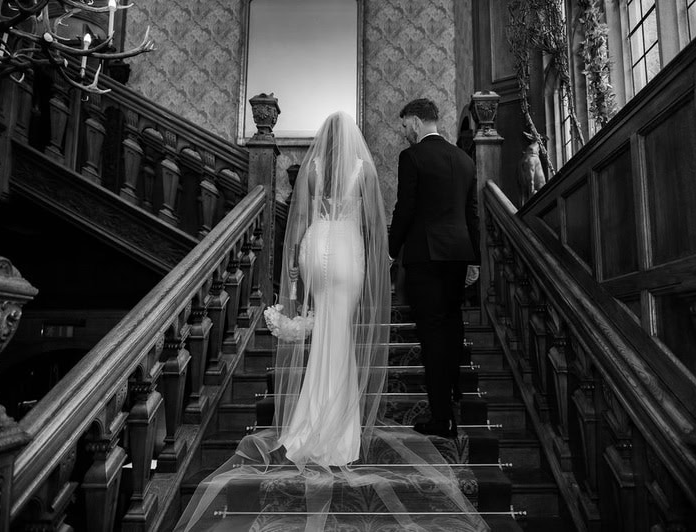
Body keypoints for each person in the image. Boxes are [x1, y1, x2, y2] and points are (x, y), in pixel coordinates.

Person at [175, 111, 487, 532]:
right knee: (345, 329)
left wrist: (292, 279)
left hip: (318, 246)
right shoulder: (367, 168)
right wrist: (387, 256)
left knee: (324, 327)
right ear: (354, 140)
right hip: (348, 249)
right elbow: (374, 221)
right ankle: (341, 425)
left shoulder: (313, 168)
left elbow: (300, 221)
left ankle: (310, 419)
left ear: (325, 140)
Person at [389, 98, 480, 439]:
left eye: (403, 126)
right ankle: (454, 390)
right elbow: (472, 213)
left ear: (414, 121)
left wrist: (389, 251)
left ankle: (441, 417)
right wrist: (476, 259)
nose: (404, 133)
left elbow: (406, 209)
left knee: (430, 333)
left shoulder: (411, 157)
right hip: (458, 254)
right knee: (453, 323)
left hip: (426, 255)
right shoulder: (463, 159)